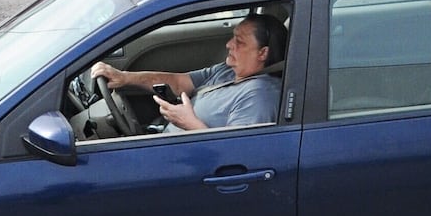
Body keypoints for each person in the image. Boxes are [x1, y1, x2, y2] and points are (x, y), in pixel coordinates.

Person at [90, 14, 286, 133]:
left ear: (263, 53)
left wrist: (190, 124)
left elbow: (239, 156)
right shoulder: (228, 71)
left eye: (239, 42)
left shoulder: (259, 97)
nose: (229, 45)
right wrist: (124, 77)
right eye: (232, 38)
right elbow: (178, 82)